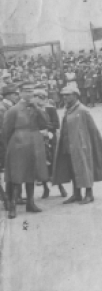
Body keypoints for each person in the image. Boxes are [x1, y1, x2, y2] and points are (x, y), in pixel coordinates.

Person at [52, 84, 102, 204]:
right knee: (73, 169)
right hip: (69, 145)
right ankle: (76, 194)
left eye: (68, 95)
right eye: (63, 96)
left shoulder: (82, 110)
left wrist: (90, 144)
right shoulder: (68, 109)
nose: (65, 98)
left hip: (82, 146)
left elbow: (92, 130)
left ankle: (89, 194)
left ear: (75, 96)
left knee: (85, 169)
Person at [2, 83, 50, 218]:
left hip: (34, 142)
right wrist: (10, 147)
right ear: (20, 93)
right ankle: (12, 206)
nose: (30, 94)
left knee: (31, 173)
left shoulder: (36, 108)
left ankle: (30, 202)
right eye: (27, 91)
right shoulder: (13, 110)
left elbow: (45, 122)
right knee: (17, 175)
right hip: (18, 143)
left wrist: (37, 108)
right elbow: (6, 131)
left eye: (32, 92)